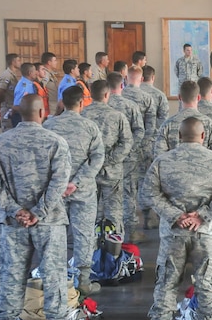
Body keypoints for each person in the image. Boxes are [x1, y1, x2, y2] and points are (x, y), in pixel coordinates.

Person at [0, 94, 75, 320]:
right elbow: (59, 182)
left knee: (11, 274)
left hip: (13, 224)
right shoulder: (56, 142)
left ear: (18, 113)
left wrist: (15, 209)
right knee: (53, 274)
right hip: (50, 223)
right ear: (43, 112)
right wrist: (39, 212)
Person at [141, 117, 212, 320]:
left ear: (178, 136)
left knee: (167, 280)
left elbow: (149, 193)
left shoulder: (162, 161)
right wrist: (201, 215)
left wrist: (176, 215)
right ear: (203, 136)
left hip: (174, 234)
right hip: (205, 233)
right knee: (206, 280)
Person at [43, 85, 105, 294]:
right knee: (84, 233)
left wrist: (60, 183)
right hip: (83, 190)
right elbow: (97, 157)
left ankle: (55, 281)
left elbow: (43, 160)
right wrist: (76, 182)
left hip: (54, 192)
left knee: (53, 234)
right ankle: (84, 282)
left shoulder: (49, 125)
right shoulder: (90, 127)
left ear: (62, 102)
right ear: (81, 103)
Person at [81, 79, 133, 239]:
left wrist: (94, 162)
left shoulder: (82, 115)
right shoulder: (117, 116)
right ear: (106, 94)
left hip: (88, 172)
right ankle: (114, 254)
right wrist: (108, 160)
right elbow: (127, 142)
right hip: (112, 172)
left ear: (90, 93)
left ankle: (90, 253)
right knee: (114, 214)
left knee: (89, 214)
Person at [106, 72, 145, 243]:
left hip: (104, 161)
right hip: (128, 158)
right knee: (129, 193)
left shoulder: (98, 106)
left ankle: (108, 233)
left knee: (106, 196)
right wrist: (129, 150)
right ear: (122, 85)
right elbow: (139, 131)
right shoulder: (130, 106)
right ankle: (132, 232)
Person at [154, 80, 212, 156]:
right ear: (199, 97)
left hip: (174, 167)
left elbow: (159, 155)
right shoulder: (210, 124)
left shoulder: (167, 125)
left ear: (179, 97)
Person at [139, 65, 169, 230]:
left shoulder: (128, 95)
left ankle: (145, 215)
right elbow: (163, 121)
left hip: (135, 145)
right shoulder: (159, 95)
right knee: (158, 180)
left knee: (140, 180)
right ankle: (159, 212)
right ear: (153, 77)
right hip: (154, 143)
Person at [0, 53, 21, 132]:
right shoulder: (6, 75)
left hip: (13, 107)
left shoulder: (14, 75)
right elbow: (1, 91)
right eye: (18, 60)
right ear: (13, 62)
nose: (20, 62)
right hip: (7, 107)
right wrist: (3, 104)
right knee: (8, 130)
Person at [12, 63, 38, 127]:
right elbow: (17, 105)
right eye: (35, 70)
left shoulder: (29, 83)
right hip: (21, 118)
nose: (36, 72)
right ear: (30, 73)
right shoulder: (24, 86)